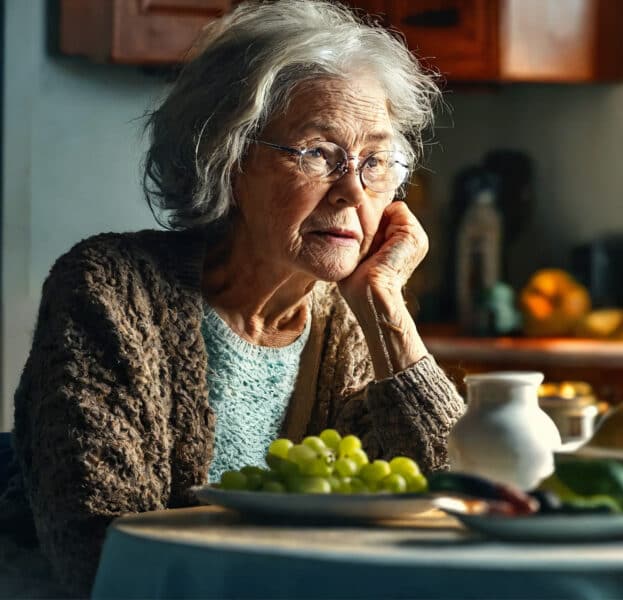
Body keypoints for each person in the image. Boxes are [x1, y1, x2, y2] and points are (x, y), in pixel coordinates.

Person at [0, 0, 464, 592]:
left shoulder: (346, 319)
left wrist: (384, 302)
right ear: (228, 157)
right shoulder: (111, 287)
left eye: (375, 161)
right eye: (319, 153)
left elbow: (457, 502)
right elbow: (101, 549)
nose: (353, 189)